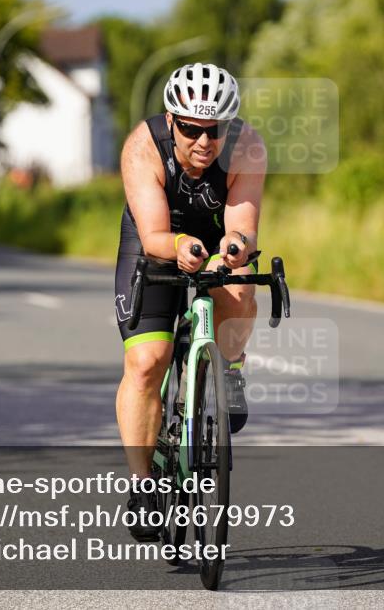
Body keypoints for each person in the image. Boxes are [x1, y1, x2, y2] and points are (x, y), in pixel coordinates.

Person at [114, 63, 267, 541]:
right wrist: (180, 247)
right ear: (171, 119)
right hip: (156, 240)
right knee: (147, 361)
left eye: (214, 130)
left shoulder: (247, 146)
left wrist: (235, 249)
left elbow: (241, 226)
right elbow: (156, 232)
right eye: (192, 129)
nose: (204, 142)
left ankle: (231, 370)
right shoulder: (143, 146)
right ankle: (142, 486)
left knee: (241, 290)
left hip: (215, 237)